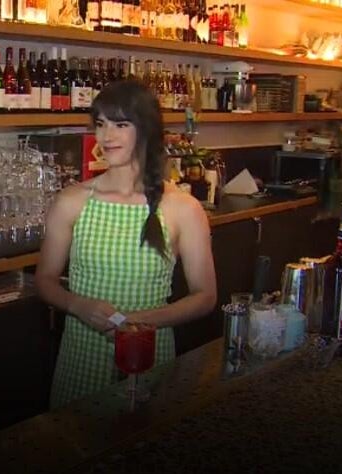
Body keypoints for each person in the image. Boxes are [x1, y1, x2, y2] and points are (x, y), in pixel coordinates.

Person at [36, 80, 217, 409]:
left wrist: (140, 321)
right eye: (101, 124)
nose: (106, 136)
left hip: (150, 362)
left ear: (146, 130)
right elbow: (45, 280)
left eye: (120, 125)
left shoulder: (182, 208)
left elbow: (205, 296)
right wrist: (77, 305)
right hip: (80, 361)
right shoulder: (72, 200)